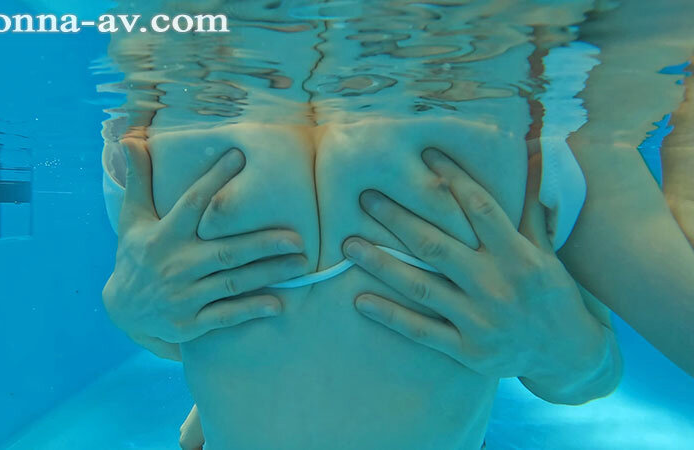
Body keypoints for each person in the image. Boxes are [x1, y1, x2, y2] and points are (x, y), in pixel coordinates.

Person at [99, 0, 640, 448]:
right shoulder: (529, 150)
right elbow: (590, 377)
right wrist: (563, 352)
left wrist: (129, 314)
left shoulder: (156, 144)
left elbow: (167, 320)